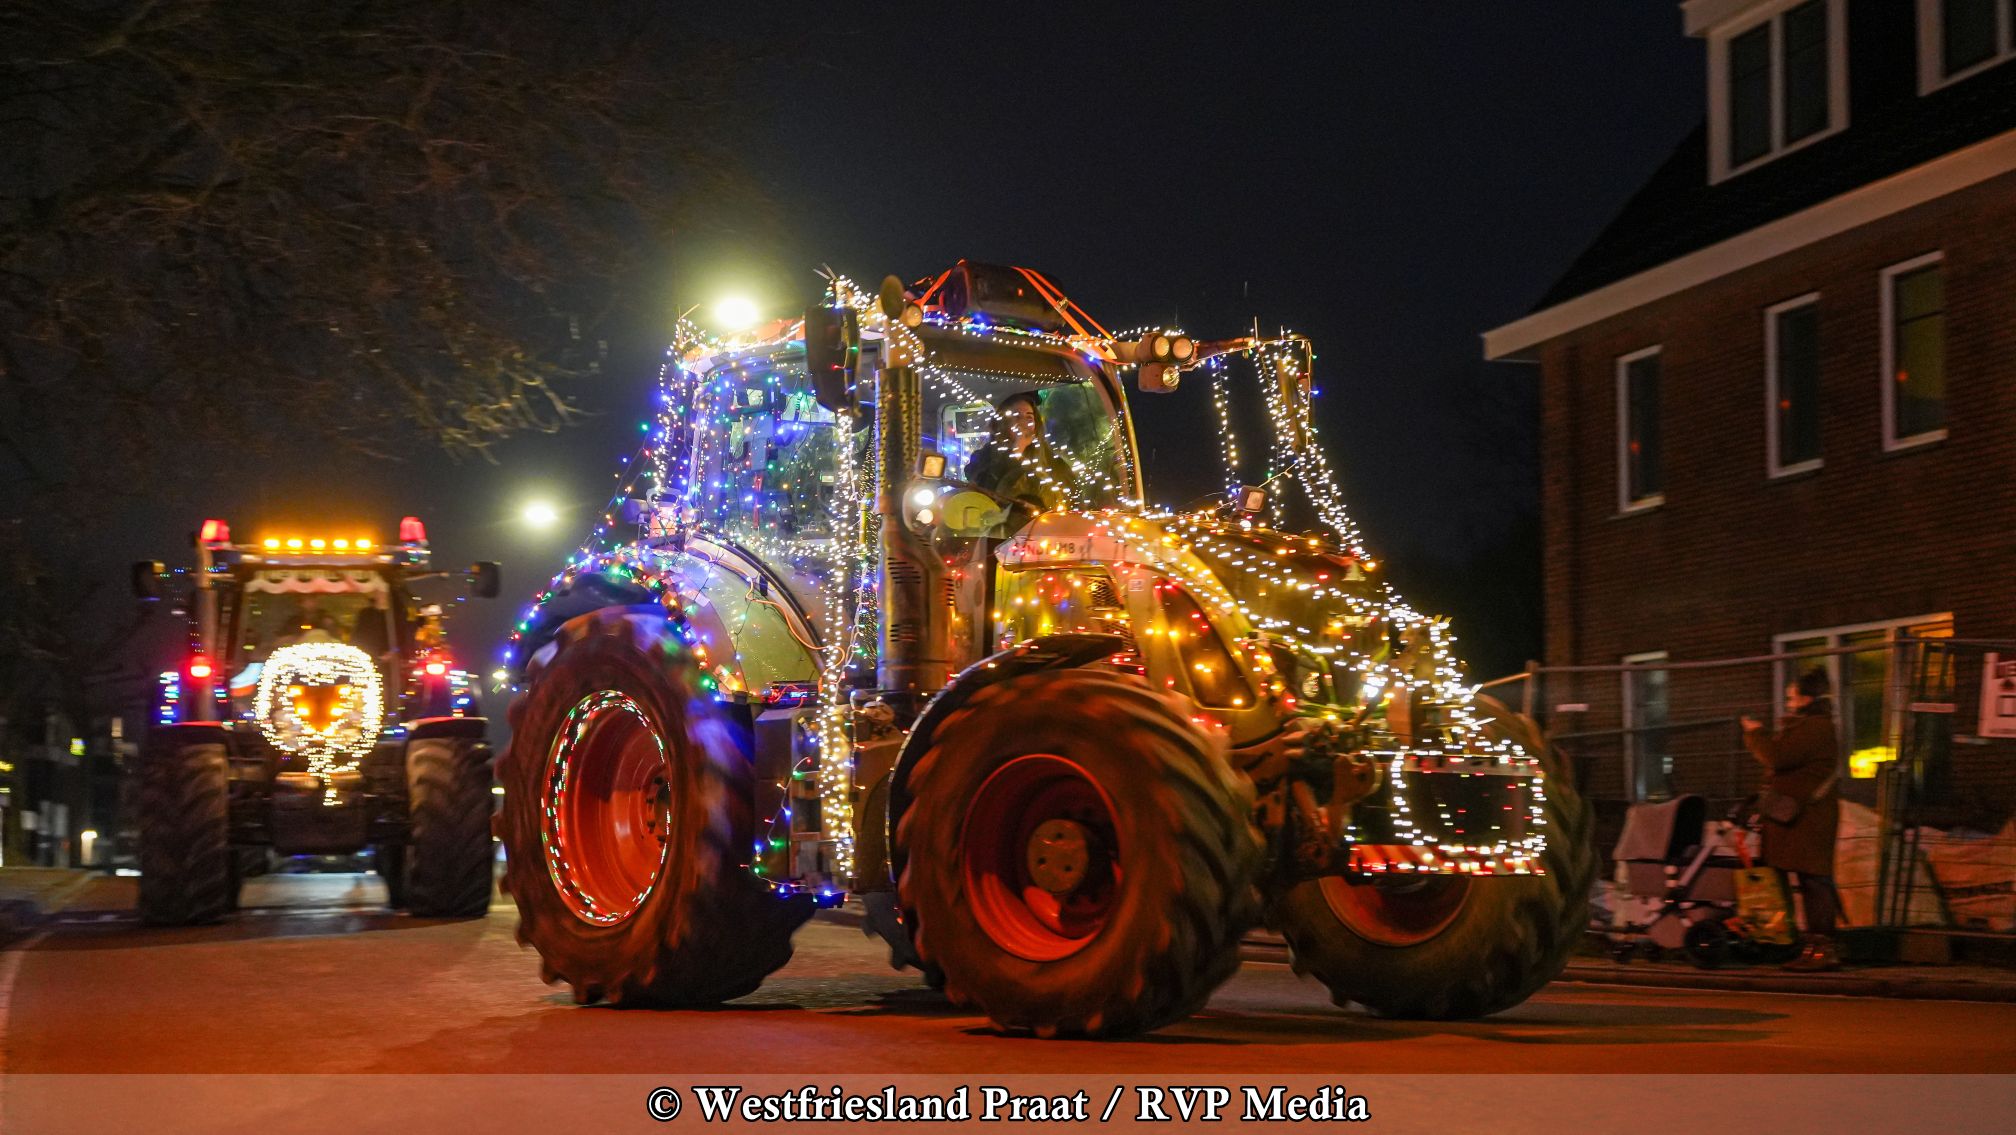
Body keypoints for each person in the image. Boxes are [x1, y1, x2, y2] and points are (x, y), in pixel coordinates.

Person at [1742, 668, 1844, 972]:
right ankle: (1803, 945)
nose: (1787, 703)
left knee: (1814, 881)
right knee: (1808, 880)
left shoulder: (1815, 728)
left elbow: (1777, 757)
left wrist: (1754, 732)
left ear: (1806, 698)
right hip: (1796, 821)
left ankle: (1821, 949)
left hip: (1806, 821)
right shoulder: (1810, 726)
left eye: (1791, 697)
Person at [963, 392, 1063, 522]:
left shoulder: (1051, 460)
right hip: (997, 533)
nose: (1023, 423)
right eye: (1016, 416)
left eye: (1029, 417)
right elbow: (988, 492)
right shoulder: (983, 457)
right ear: (1003, 422)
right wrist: (1016, 452)